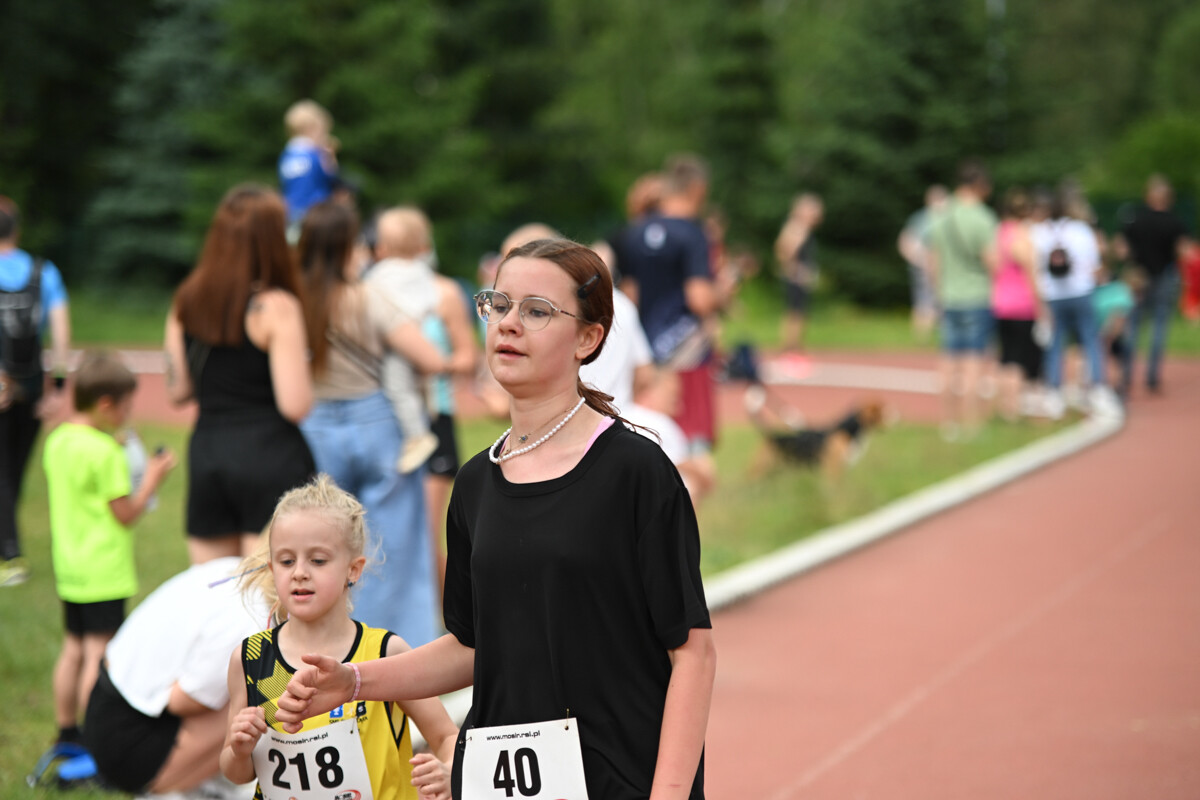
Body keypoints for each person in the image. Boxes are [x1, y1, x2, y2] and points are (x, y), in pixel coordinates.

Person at [273, 239, 716, 800]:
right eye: (499, 305)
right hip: (502, 783)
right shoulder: (476, 483)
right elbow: (472, 645)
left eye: (536, 311)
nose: (509, 324)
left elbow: (693, 651)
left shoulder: (637, 471)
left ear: (588, 338)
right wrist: (353, 681)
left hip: (620, 777)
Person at [220, 475, 457, 800]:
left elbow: (446, 736)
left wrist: (448, 771)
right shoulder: (250, 658)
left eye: (318, 560)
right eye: (286, 561)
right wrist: (238, 747)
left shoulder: (385, 652)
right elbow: (238, 772)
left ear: (353, 569)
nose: (300, 571)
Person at [297, 200, 466, 648]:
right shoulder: (368, 297)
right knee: (392, 546)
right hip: (376, 423)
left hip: (315, 424)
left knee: (318, 544)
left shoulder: (292, 300)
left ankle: (322, 641)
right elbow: (429, 359)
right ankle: (392, 649)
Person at [165, 184, 316, 564]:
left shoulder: (187, 299)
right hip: (268, 455)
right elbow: (295, 405)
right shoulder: (275, 307)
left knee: (212, 594)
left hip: (209, 451)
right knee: (264, 602)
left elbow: (178, 389)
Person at [43, 351, 176, 751]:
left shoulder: (59, 439)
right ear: (105, 405)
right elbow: (126, 514)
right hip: (104, 572)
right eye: (126, 407)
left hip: (70, 568)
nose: (129, 414)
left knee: (72, 650)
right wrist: (151, 479)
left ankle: (67, 731)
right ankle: (98, 742)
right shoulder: (106, 454)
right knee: (99, 654)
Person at [82, 556, 270, 798]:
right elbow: (183, 701)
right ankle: (174, 786)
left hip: (107, 707)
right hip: (128, 739)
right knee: (254, 700)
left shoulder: (236, 569)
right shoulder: (252, 618)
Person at [615, 154, 734, 454]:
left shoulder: (633, 232)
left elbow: (629, 296)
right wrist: (723, 292)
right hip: (686, 352)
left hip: (646, 351)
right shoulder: (694, 234)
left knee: (647, 432)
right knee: (692, 438)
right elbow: (700, 299)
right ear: (697, 189)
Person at [0, 195, 71, 587]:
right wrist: (57, 385)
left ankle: (10, 556)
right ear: (18, 229)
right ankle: (8, 546)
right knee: (13, 468)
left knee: (2, 473)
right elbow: (60, 330)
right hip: (30, 385)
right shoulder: (44, 272)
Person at [362, 206, 453, 473]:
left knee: (397, 387)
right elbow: (432, 301)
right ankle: (426, 417)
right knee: (419, 386)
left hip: (397, 342)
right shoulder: (423, 273)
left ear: (382, 246)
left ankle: (417, 436)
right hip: (423, 336)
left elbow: (370, 302)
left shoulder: (380, 273)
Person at [1030, 185, 1122, 420]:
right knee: (1091, 341)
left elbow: (1035, 266)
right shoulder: (1082, 230)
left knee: (1055, 344)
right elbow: (1095, 266)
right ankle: (1098, 388)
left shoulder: (1040, 232)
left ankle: (1054, 394)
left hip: (1052, 295)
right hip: (1081, 292)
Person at [926, 160, 998, 440]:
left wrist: (938, 292)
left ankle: (948, 424)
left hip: (948, 297)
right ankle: (972, 426)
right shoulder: (983, 217)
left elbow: (932, 261)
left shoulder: (940, 215)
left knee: (947, 362)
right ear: (979, 185)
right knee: (972, 363)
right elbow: (992, 262)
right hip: (976, 296)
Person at [422, 267, 478, 603]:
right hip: (393, 424)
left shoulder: (443, 292)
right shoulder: (377, 290)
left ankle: (460, 618)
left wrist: (427, 362)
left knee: (428, 537)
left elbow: (468, 357)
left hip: (435, 418)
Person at [1119, 174, 1189, 396]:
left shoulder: (1136, 219)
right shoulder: (1174, 222)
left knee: (1133, 326)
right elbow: (1184, 251)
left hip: (1139, 277)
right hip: (1164, 276)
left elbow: (1121, 248)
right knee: (1159, 326)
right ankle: (1152, 377)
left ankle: (1127, 374)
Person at [990, 187, 1044, 421]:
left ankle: (1006, 407)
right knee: (1020, 358)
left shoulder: (998, 233)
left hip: (1000, 302)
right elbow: (1031, 273)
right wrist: (1040, 305)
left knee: (1005, 357)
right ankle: (1015, 409)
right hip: (1022, 305)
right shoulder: (1022, 236)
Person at [774, 192, 825, 358]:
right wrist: (795, 269)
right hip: (795, 276)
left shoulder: (802, 227)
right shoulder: (797, 227)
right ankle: (790, 346)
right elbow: (784, 249)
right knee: (795, 311)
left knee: (798, 311)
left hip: (799, 275)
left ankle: (794, 345)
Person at [279, 99, 340, 237]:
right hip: (317, 215)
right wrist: (330, 157)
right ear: (311, 128)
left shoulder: (286, 155)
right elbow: (331, 177)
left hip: (292, 213)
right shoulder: (315, 155)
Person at [897, 184, 948, 339]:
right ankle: (921, 339)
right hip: (925, 267)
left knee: (937, 302)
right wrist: (917, 261)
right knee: (924, 301)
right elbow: (905, 241)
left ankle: (938, 338)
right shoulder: (922, 218)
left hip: (943, 267)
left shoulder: (945, 218)